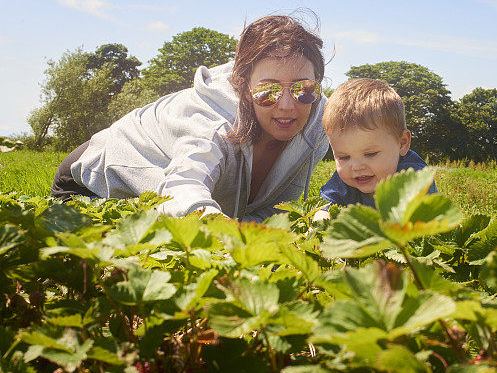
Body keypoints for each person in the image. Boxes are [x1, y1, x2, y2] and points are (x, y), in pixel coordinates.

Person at [51, 14, 330, 221]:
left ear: (317, 83)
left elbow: (278, 210)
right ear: (244, 87)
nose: (286, 105)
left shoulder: (320, 119)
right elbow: (181, 189)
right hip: (92, 182)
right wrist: (224, 233)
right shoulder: (211, 121)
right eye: (267, 91)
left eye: (302, 90)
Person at [315, 78, 436, 219]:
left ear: (402, 143)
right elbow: (325, 204)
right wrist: (321, 219)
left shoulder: (414, 177)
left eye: (370, 154)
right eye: (344, 157)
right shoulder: (347, 178)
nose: (356, 166)